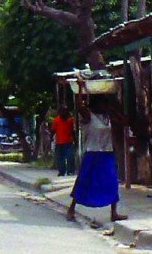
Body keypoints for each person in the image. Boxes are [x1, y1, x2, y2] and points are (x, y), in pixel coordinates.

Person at [66, 92, 127, 222]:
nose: (105, 106)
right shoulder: (89, 117)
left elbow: (124, 121)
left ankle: (114, 212)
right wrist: (80, 89)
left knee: (112, 183)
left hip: (107, 153)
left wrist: (113, 108)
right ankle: (71, 209)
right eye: (103, 103)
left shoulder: (108, 117)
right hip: (92, 154)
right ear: (96, 104)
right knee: (83, 182)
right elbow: (78, 106)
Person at [51, 105, 75, 176]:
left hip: (69, 142)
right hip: (59, 142)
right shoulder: (56, 120)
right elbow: (53, 131)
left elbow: (72, 131)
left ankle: (70, 171)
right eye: (62, 111)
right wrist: (51, 139)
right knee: (60, 159)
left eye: (66, 111)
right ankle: (61, 171)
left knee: (70, 157)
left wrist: (75, 140)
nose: (64, 113)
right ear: (59, 112)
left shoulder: (70, 120)